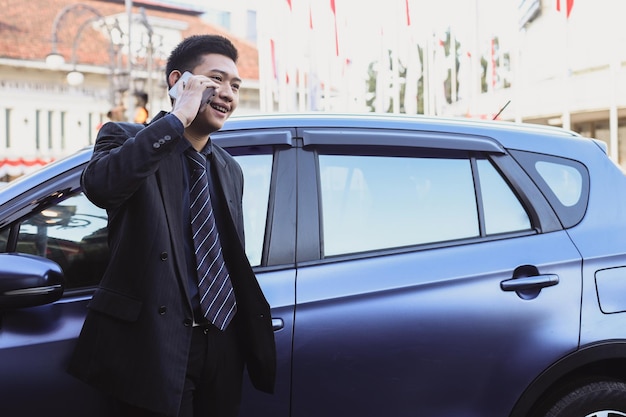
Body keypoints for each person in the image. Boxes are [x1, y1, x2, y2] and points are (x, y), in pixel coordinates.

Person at [68, 34, 276, 417]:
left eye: (235, 86)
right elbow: (102, 187)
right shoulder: (125, 139)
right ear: (178, 81)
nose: (228, 93)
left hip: (221, 343)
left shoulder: (229, 169)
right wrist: (178, 119)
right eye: (215, 80)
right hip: (153, 346)